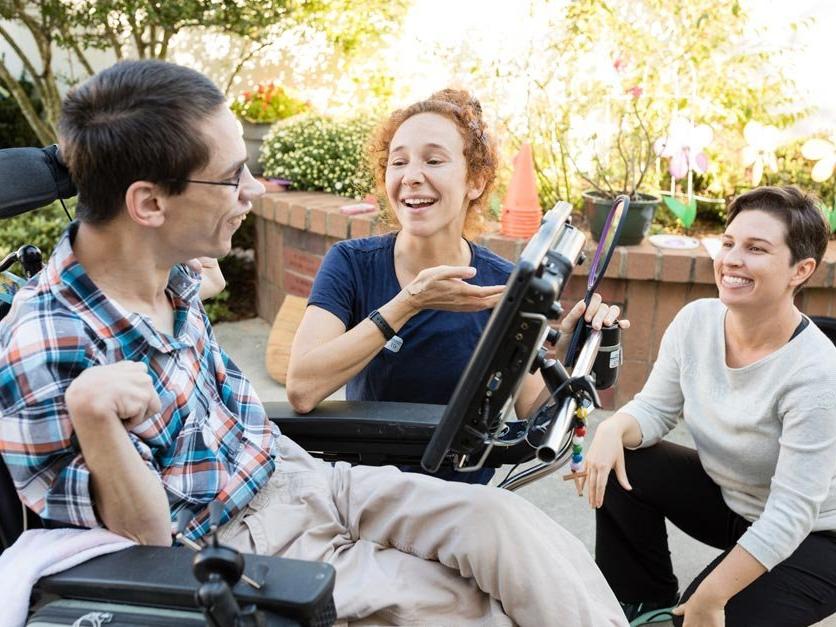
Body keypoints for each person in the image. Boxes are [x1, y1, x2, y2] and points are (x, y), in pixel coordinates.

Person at [0, 60, 629, 626]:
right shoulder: (48, 342)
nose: (251, 193)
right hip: (244, 543)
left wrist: (558, 347)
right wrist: (96, 418)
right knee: (477, 611)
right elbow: (144, 541)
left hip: (303, 476)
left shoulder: (173, 273)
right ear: (149, 204)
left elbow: (526, 401)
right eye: (230, 179)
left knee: (510, 527)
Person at [287, 89, 627, 483]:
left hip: (464, 495)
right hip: (369, 491)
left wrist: (565, 359)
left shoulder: (503, 283)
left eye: (433, 160)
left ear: (476, 181)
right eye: (398, 162)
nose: (412, 176)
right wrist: (408, 303)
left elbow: (534, 411)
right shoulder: (351, 264)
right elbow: (302, 387)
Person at [583, 186, 836, 626]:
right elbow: (655, 411)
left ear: (801, 269)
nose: (733, 259)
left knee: (698, 617)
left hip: (816, 535)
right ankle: (643, 603)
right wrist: (610, 431)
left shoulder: (817, 374)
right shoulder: (696, 321)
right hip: (734, 501)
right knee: (623, 456)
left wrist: (710, 598)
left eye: (756, 249)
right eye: (729, 243)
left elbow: (791, 515)